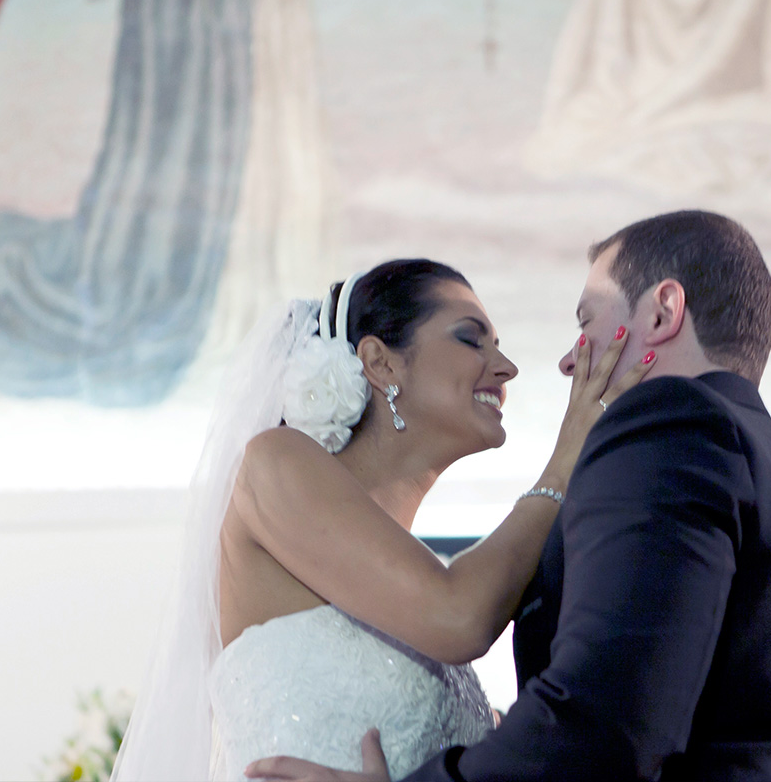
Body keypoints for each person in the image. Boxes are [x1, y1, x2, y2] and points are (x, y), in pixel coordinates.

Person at [245, 211, 771, 782]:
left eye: (587, 321)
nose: (539, 366)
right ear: (380, 361)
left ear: (661, 312)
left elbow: (604, 725)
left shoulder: (668, 426)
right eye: (473, 338)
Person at [110, 259, 654, 781]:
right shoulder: (274, 463)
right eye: (472, 338)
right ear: (380, 362)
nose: (507, 366)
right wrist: (566, 458)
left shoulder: (412, 587)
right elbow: (459, 616)